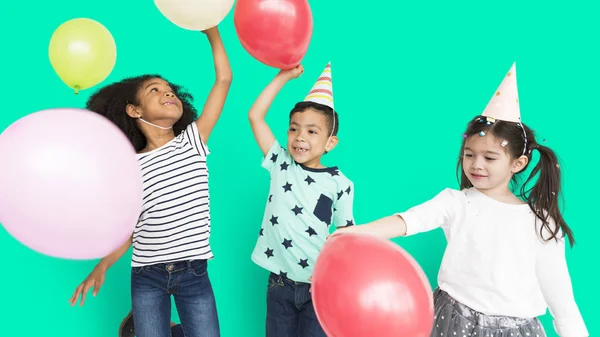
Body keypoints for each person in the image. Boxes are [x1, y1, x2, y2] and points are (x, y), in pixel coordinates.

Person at [336, 63, 589, 337]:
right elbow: (407, 221)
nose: (476, 164)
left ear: (518, 163)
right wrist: (354, 233)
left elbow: (561, 299)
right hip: (451, 319)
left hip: (515, 330)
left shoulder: (541, 223)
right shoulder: (455, 202)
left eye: (490, 158)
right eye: (470, 154)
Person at [67, 26, 232, 337]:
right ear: (134, 110)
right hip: (147, 274)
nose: (167, 92)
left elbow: (223, 80)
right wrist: (102, 265)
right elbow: (130, 228)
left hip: (193, 271)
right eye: (154, 90)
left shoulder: (192, 141)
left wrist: (213, 34)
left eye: (169, 89)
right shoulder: (129, 165)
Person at [248, 62, 356, 337]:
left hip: (319, 286)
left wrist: (336, 277)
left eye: (311, 131)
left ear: (330, 143)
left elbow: (346, 236)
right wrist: (283, 77)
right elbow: (255, 116)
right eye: (293, 129)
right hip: (280, 284)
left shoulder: (340, 183)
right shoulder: (280, 163)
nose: (299, 137)